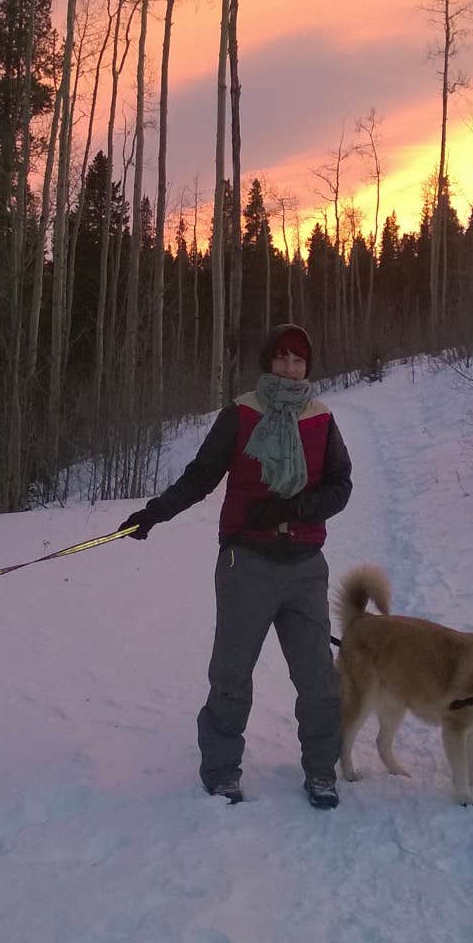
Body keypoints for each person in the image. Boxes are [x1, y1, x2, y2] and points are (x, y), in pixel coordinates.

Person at [120, 324, 352, 810]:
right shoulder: (242, 414)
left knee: (318, 680)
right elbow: (202, 474)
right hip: (246, 563)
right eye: (283, 358)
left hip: (306, 567)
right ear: (268, 362)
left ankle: (321, 772)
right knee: (231, 675)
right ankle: (222, 772)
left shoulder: (321, 417)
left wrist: (294, 509)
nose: (291, 367)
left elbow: (340, 487)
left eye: (299, 360)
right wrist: (156, 512)